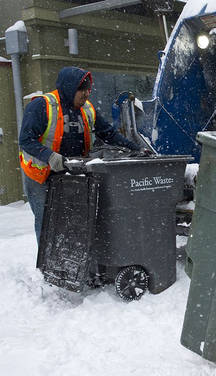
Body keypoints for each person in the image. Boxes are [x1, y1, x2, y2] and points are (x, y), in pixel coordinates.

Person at [19, 66, 142, 243]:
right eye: (81, 90)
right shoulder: (42, 105)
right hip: (41, 176)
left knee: (73, 220)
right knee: (47, 221)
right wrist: (50, 156)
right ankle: (47, 267)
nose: (86, 94)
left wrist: (134, 147)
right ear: (68, 88)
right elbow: (26, 140)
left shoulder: (87, 108)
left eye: (88, 89)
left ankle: (70, 261)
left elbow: (108, 133)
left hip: (70, 173)